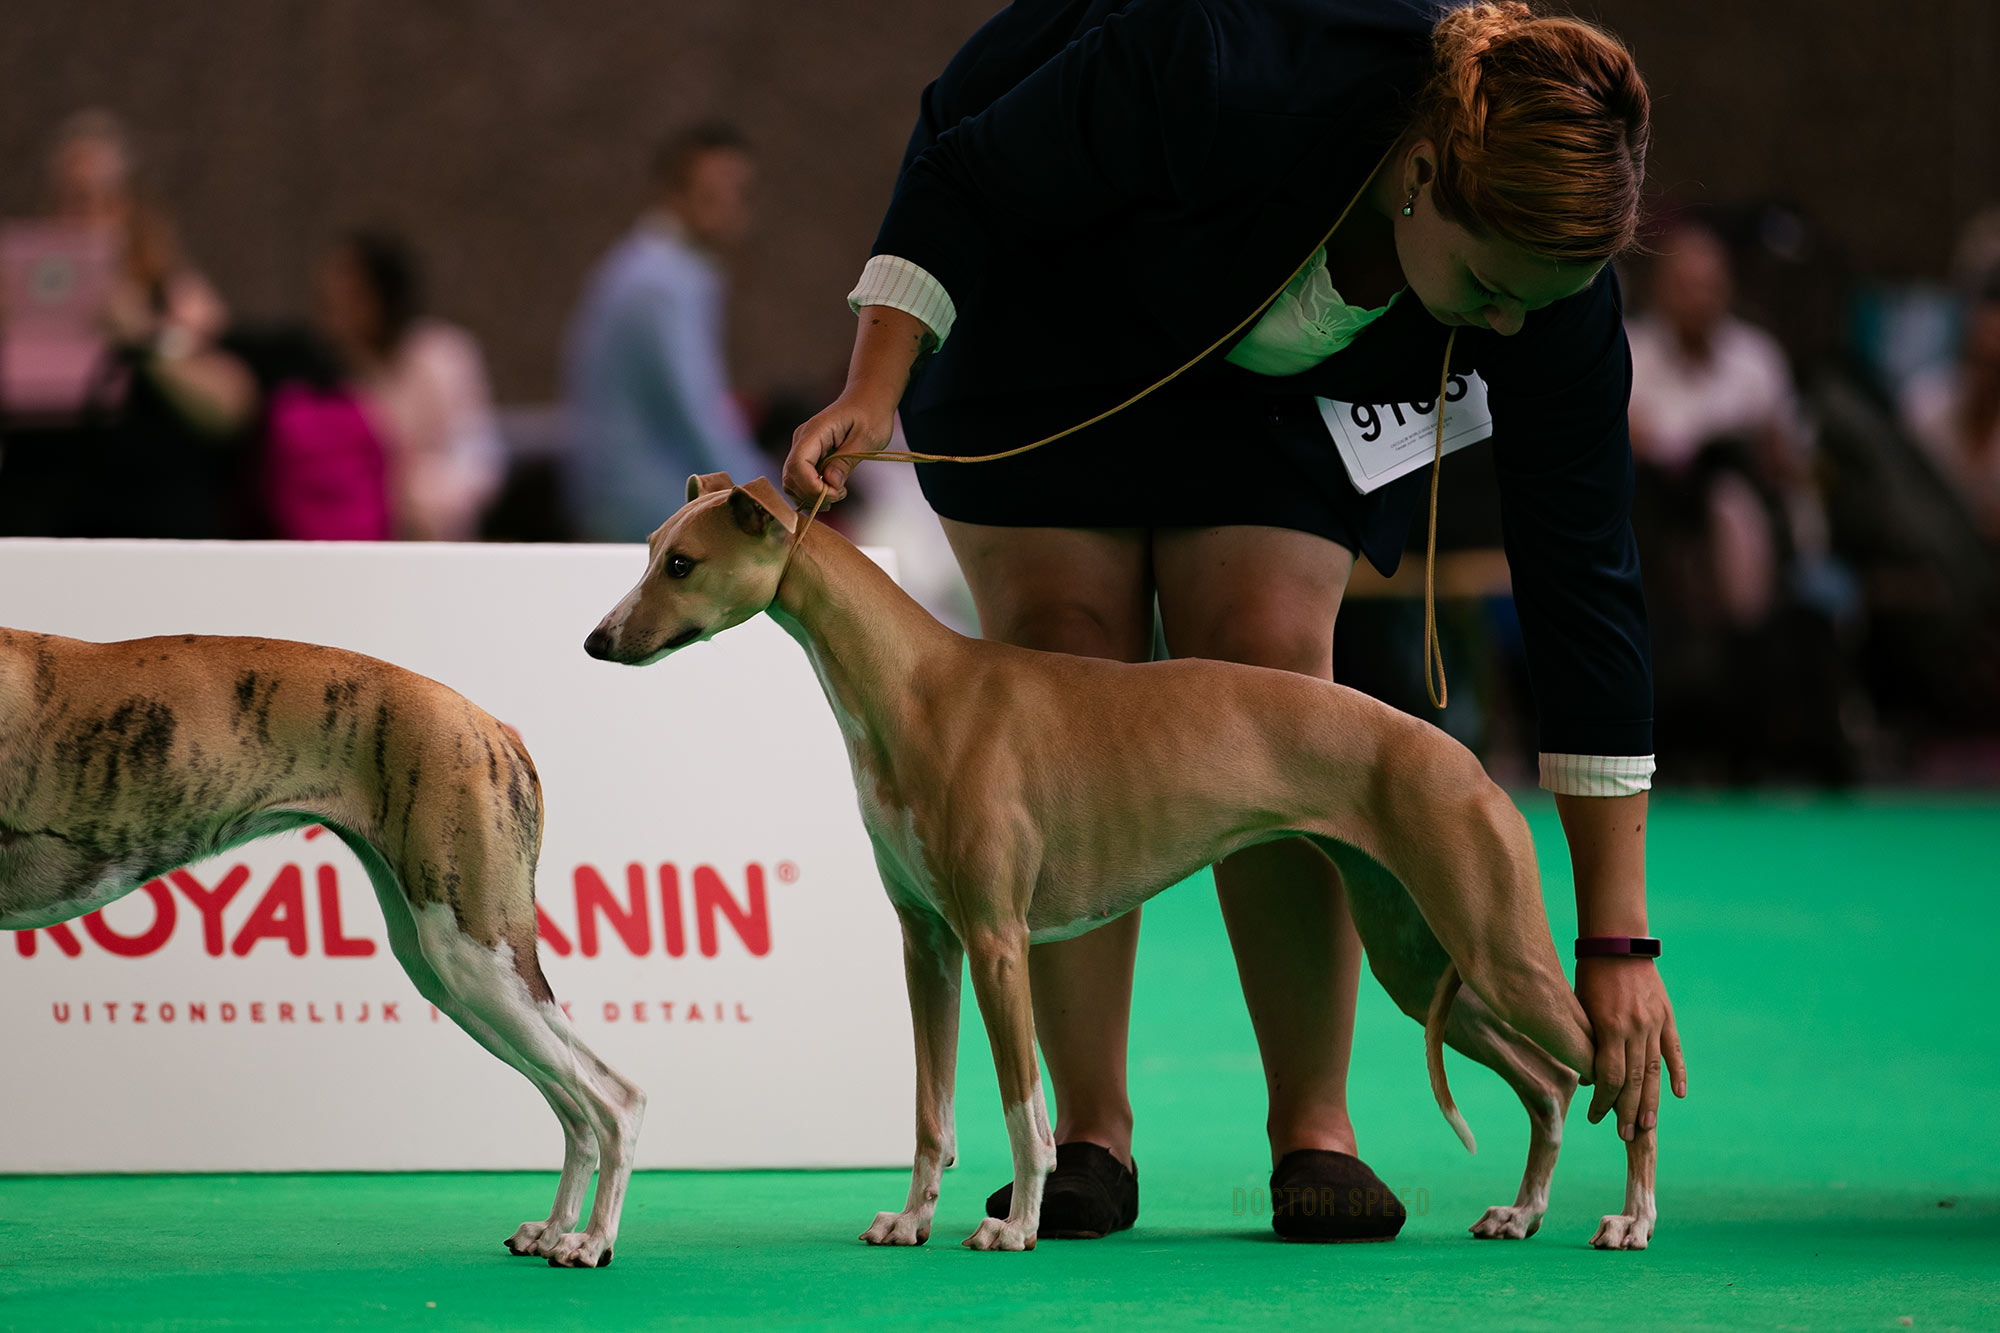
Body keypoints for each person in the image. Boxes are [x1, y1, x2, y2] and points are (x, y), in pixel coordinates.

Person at [785, 0, 1686, 1242]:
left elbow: (1583, 575)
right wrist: (871, 385)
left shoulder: (1546, 289)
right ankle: (1087, 1133)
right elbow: (963, 172)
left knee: (1271, 666)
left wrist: (1617, 939)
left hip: (1290, 381)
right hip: (1044, 298)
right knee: (1064, 646)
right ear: (1421, 175)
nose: (1502, 331)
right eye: (1485, 290)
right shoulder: (1215, 63)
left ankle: (1312, 1128)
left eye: (1532, 305)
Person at [0, 109, 256, 538]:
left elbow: (231, 410)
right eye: (70, 200)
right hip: (42, 534)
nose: (82, 219)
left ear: (131, 209)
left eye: (100, 200)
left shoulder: (173, 296)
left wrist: (141, 331)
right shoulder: (20, 301)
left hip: (151, 531)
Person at [564, 122, 769, 542]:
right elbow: (696, 412)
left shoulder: (652, 267)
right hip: (647, 510)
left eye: (739, 191)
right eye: (713, 192)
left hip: (630, 503)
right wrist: (771, 502)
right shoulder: (662, 281)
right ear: (673, 192)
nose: (730, 204)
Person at [316, 231, 504, 541]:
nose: (339, 314)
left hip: (446, 542)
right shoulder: (333, 373)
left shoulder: (442, 355)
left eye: (353, 297)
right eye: (330, 300)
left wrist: (428, 494)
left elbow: (480, 460)